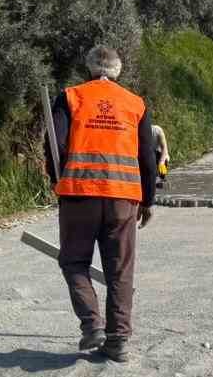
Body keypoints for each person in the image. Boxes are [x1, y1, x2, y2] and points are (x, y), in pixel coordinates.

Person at [44, 46, 156, 361]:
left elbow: (54, 143)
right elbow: (147, 156)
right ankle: (118, 340)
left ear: (89, 69)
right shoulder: (135, 104)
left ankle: (92, 324)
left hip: (79, 194)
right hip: (123, 199)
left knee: (74, 261)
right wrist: (148, 199)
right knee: (120, 269)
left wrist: (57, 181)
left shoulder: (70, 97)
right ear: (119, 71)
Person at [152, 123, 170, 189]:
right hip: (148, 154)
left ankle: (161, 177)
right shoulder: (139, 129)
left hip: (160, 154)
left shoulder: (157, 130)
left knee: (164, 159)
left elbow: (164, 148)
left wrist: (161, 163)